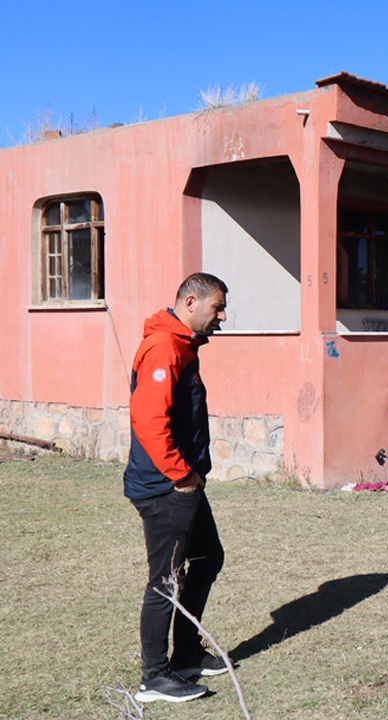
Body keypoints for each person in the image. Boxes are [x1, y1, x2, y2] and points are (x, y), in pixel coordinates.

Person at [124, 273, 230, 703]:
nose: (222, 317)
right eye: (217, 308)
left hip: (182, 483)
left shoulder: (184, 346)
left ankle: (186, 653)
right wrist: (182, 476)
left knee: (208, 558)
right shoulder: (164, 347)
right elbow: (149, 422)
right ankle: (154, 678)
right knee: (165, 580)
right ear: (191, 301)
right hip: (165, 487)